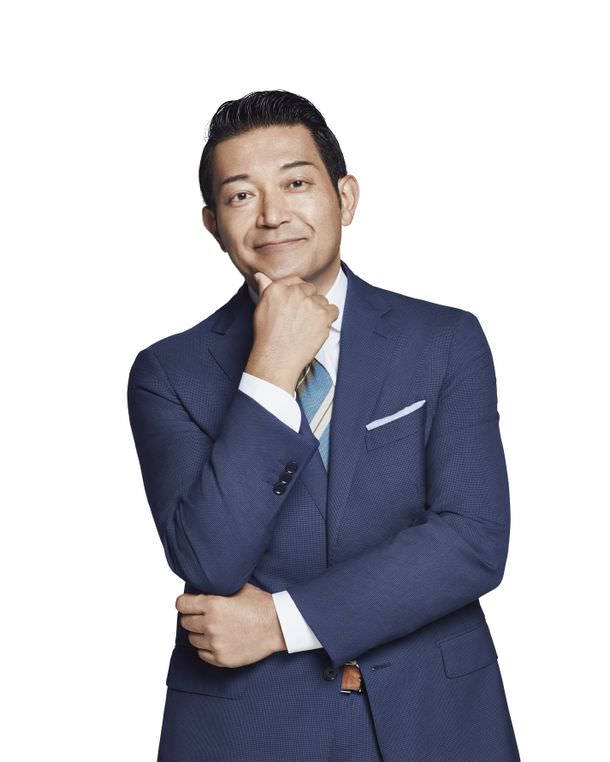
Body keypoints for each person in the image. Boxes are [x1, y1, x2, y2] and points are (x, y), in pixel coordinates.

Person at [127, 89, 520, 762]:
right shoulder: (168, 373)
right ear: (213, 224)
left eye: (296, 184)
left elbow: (472, 539)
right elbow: (210, 561)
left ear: (346, 197)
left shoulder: (444, 340)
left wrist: (283, 622)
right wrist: (268, 372)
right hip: (250, 730)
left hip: (435, 718)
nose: (272, 215)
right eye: (241, 195)